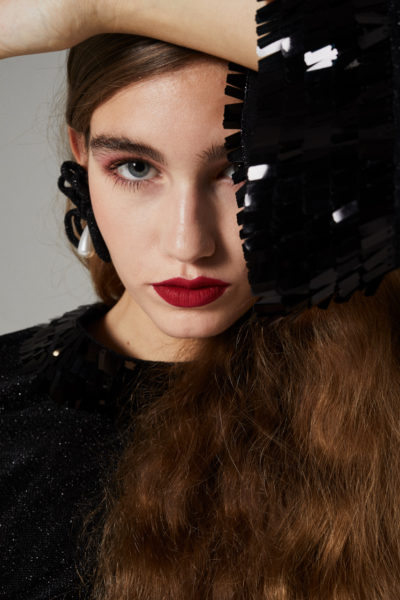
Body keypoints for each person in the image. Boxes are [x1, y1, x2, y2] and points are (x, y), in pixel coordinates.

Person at [1, 1, 400, 599]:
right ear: (80, 153)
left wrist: (91, 6)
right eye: (136, 168)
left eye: (241, 172)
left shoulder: (383, 390)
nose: (189, 243)